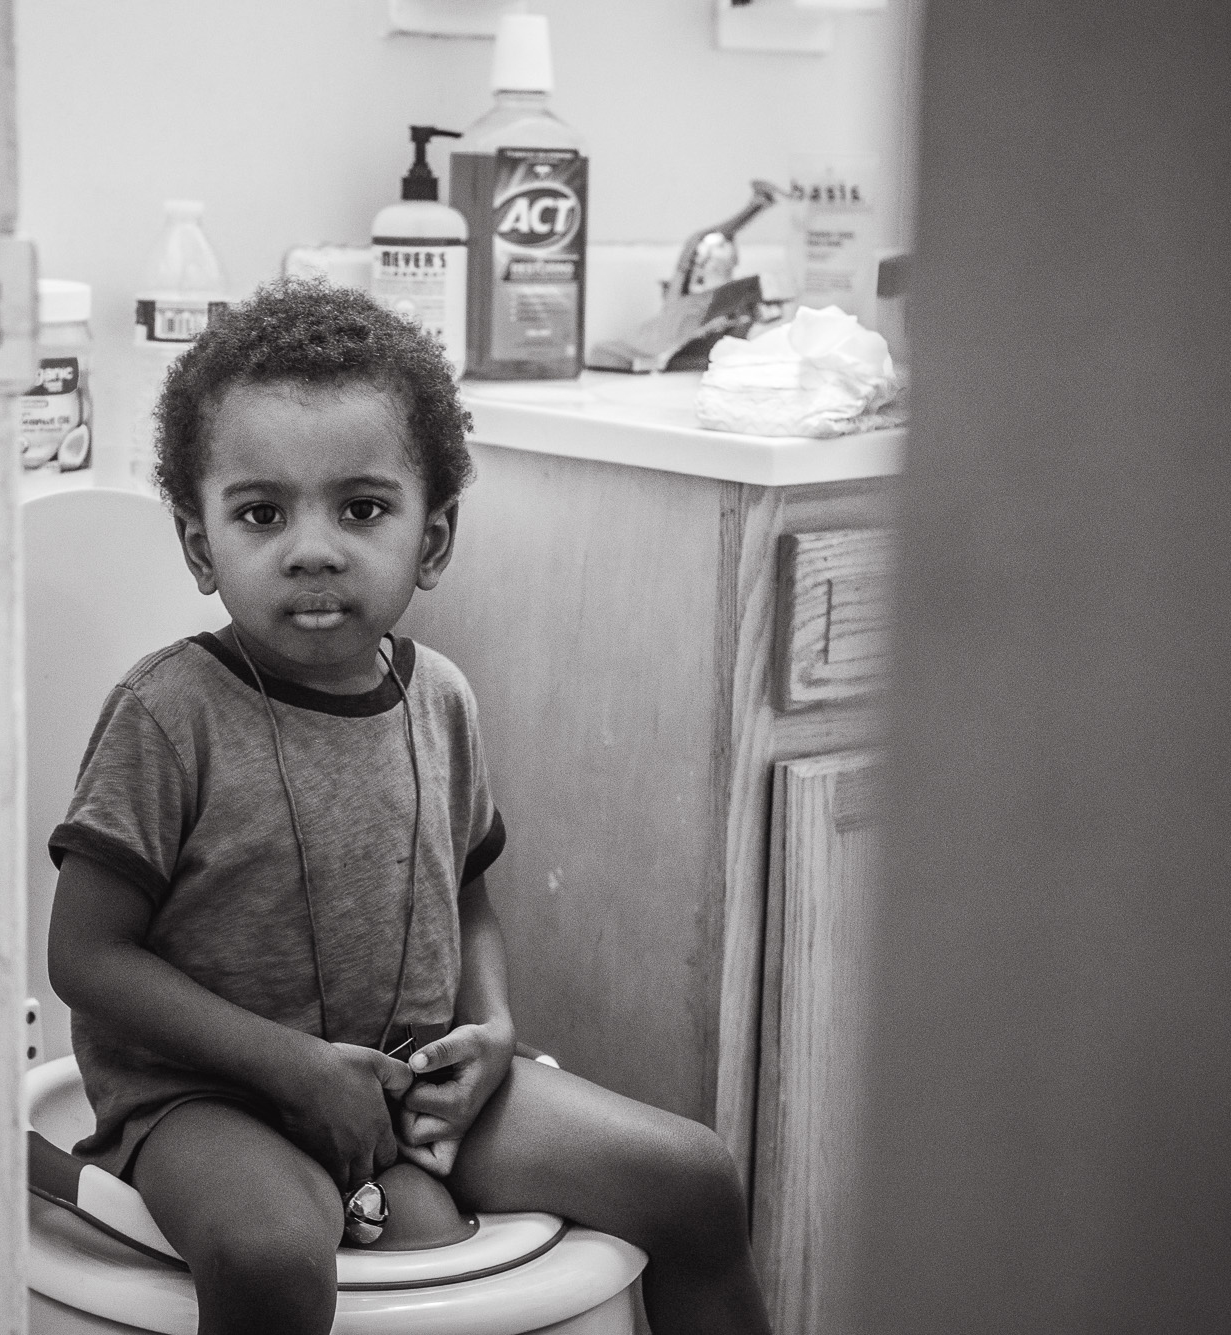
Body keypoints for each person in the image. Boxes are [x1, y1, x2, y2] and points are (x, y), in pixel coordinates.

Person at [46, 279, 770, 1335]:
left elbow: (468, 896)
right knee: (269, 1257)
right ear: (200, 546)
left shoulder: (441, 699)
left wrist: (490, 1030)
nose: (312, 548)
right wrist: (290, 1067)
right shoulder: (167, 715)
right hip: (207, 1094)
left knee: (693, 1175)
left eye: (362, 508)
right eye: (260, 512)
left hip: (405, 1075)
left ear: (431, 539)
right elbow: (88, 960)